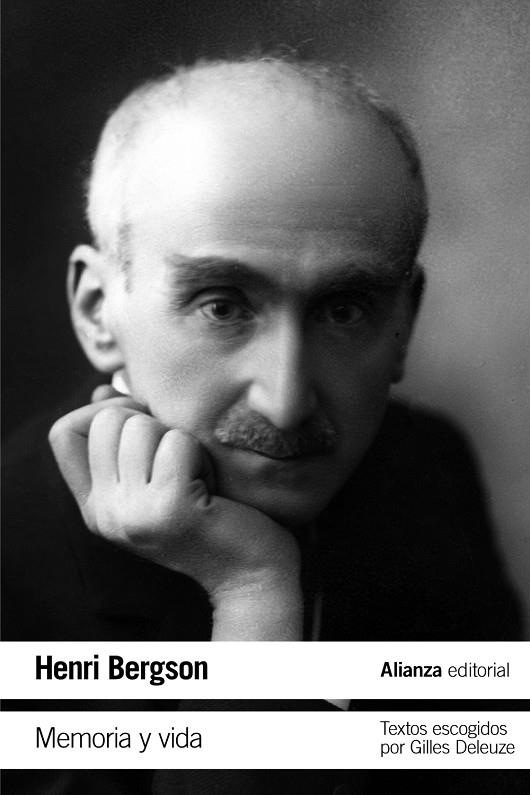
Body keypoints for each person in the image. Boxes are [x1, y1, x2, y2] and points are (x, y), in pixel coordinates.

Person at [1, 54, 523, 795]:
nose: (286, 401)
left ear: (404, 324)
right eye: (222, 305)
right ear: (97, 312)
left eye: (345, 309)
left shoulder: (428, 469)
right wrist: (252, 596)